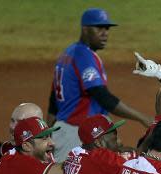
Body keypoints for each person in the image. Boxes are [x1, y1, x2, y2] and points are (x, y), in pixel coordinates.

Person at [48, 8, 152, 161]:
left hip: (66, 130)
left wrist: (51, 130)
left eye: (107, 28)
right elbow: (102, 96)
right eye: (99, 28)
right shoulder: (84, 55)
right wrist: (142, 117)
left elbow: (53, 100)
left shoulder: (68, 53)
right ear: (85, 29)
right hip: (76, 133)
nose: (105, 33)